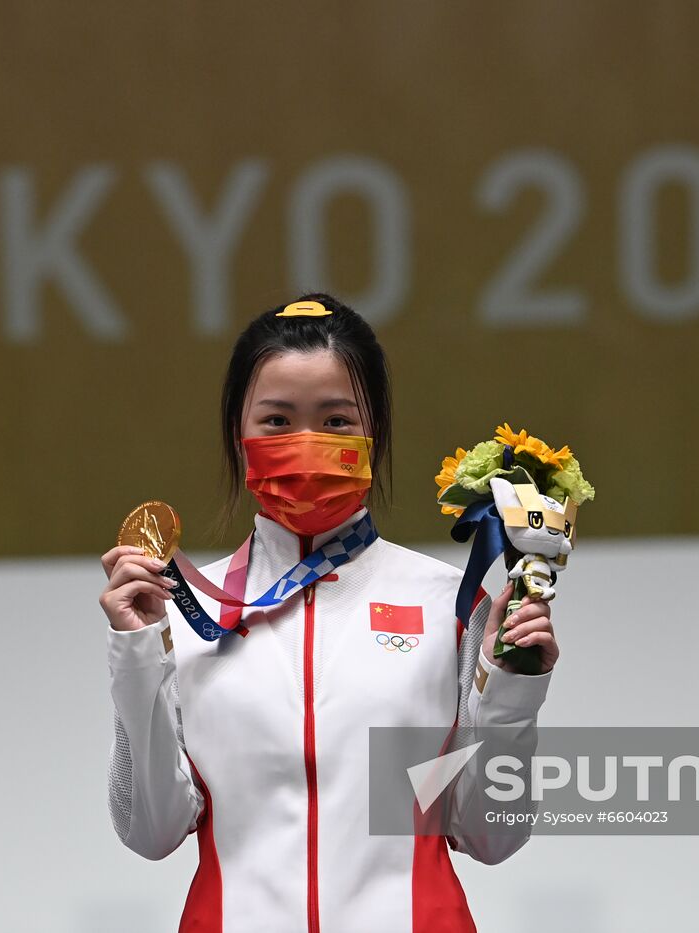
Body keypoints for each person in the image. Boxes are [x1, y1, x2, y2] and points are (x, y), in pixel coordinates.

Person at [98, 293, 558, 932]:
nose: (306, 444)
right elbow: (149, 831)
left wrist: (512, 689)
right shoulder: (183, 609)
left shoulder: (451, 606)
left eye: (336, 421)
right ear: (239, 435)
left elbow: (490, 836)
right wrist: (137, 655)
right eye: (278, 422)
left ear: (376, 433)